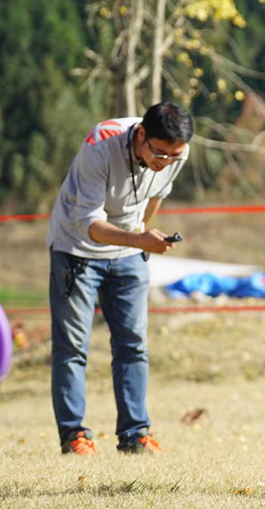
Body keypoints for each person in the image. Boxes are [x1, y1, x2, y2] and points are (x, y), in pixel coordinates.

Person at [46, 101, 193, 456]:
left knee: (133, 345)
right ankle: (74, 436)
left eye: (174, 156)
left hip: (128, 253)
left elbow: (157, 193)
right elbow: (90, 225)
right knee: (72, 348)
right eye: (160, 153)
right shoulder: (100, 146)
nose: (165, 162)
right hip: (77, 249)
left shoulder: (178, 151)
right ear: (141, 135)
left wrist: (142, 231)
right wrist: (139, 238)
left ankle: (135, 434)